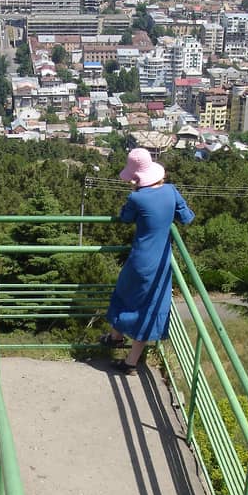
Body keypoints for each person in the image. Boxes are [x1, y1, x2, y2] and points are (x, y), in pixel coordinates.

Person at [102, 147, 194, 375]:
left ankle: (116, 337)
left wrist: (135, 193)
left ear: (136, 177)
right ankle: (130, 360)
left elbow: (125, 218)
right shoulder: (172, 191)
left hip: (140, 259)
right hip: (162, 262)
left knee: (123, 294)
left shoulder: (136, 197)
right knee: (150, 306)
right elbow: (187, 217)